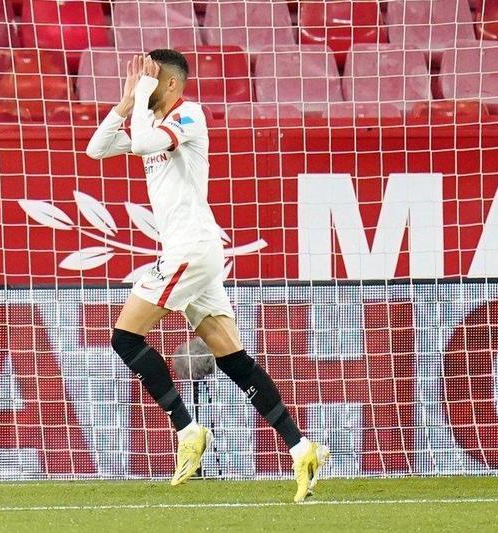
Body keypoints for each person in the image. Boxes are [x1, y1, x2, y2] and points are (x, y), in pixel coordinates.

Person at [86, 49, 329, 502]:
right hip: (195, 255)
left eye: (149, 79)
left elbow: (139, 144)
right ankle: (302, 447)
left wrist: (140, 95)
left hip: (191, 251)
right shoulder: (147, 123)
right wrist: (125, 102)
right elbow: (97, 148)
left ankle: (187, 429)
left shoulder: (189, 116)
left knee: (124, 338)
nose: (142, 86)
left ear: (171, 84)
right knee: (231, 356)